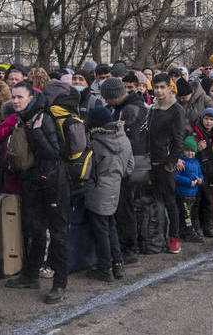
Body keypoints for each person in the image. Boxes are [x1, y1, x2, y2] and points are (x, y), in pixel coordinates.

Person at [4, 81, 70, 305]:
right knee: (34, 228)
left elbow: (54, 153)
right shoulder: (24, 117)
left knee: (58, 233)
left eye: (19, 97)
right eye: (13, 96)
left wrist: (35, 132)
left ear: (31, 97)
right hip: (33, 180)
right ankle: (31, 275)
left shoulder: (43, 118)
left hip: (53, 182)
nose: (15, 100)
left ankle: (60, 283)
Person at [102, 77, 149, 264]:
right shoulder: (124, 108)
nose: (106, 101)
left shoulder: (130, 110)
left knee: (125, 207)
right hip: (127, 164)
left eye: (107, 98)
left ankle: (129, 248)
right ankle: (127, 245)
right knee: (125, 206)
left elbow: (126, 141)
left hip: (129, 166)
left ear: (114, 95)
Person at [85, 107, 134, 282]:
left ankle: (105, 269)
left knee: (101, 230)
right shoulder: (124, 139)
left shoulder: (95, 142)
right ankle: (118, 265)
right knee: (111, 226)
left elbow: (86, 171)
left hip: (97, 190)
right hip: (115, 187)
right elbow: (129, 167)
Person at [149, 73, 185, 254]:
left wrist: (170, 162)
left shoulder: (177, 109)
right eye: (156, 87)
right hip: (151, 161)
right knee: (155, 202)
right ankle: (156, 236)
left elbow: (179, 140)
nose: (159, 91)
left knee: (170, 201)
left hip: (165, 163)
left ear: (170, 88)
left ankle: (174, 238)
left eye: (162, 87)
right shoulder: (153, 107)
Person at [193, 108, 213, 238]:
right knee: (197, 200)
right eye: (206, 119)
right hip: (197, 171)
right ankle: (196, 226)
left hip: (212, 172)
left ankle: (208, 226)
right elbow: (187, 152)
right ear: (202, 119)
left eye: (211, 120)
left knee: (208, 201)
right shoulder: (195, 133)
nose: (208, 122)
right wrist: (197, 149)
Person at [175, 136, 205, 243]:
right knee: (186, 215)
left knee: (189, 214)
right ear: (183, 151)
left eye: (192, 151)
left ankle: (183, 231)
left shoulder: (196, 162)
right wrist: (189, 182)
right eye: (187, 150)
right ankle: (189, 234)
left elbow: (200, 174)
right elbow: (176, 177)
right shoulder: (181, 162)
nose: (190, 153)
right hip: (183, 194)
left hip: (193, 195)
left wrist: (201, 180)